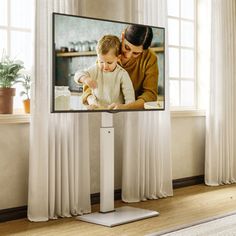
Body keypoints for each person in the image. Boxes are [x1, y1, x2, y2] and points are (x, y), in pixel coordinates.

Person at [81, 25, 159, 110]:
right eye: (127, 47)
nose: (128, 55)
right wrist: (92, 100)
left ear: (144, 51)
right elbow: (89, 86)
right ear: (123, 36)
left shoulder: (150, 58)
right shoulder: (110, 49)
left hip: (134, 112)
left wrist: (127, 107)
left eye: (136, 53)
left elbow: (150, 95)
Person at [74, 35, 135, 110]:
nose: (105, 66)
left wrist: (125, 108)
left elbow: (130, 98)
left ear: (118, 58)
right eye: (101, 62)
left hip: (115, 111)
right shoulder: (96, 69)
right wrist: (85, 79)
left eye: (109, 62)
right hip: (97, 109)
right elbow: (78, 74)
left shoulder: (122, 74)